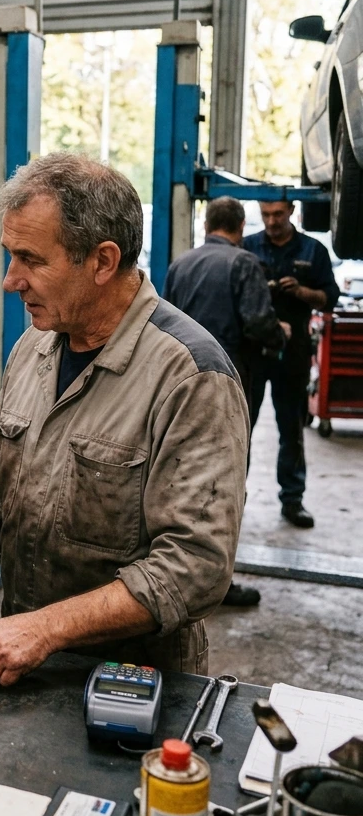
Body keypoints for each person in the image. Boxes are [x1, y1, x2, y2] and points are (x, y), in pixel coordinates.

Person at [0, 154, 249, 682]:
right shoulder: (34, 347)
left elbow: (193, 567)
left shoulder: (191, 378)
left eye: (31, 260)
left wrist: (46, 629)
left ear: (103, 261)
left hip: (133, 684)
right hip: (17, 664)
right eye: (9, 256)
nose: (11, 280)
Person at [163, 196, 291, 608]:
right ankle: (217, 585)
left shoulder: (181, 264)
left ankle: (170, 574)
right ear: (239, 227)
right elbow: (257, 322)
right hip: (227, 387)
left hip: (174, 385)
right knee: (223, 483)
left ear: (207, 224)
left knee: (174, 478)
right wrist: (281, 333)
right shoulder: (244, 263)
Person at [243, 201, 339, 529]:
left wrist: (302, 291)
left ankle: (293, 500)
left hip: (294, 353)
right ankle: (229, 500)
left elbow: (330, 297)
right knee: (240, 429)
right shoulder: (248, 246)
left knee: (292, 430)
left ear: (291, 210)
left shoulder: (313, 250)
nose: (271, 221)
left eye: (278, 215)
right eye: (266, 214)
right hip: (253, 353)